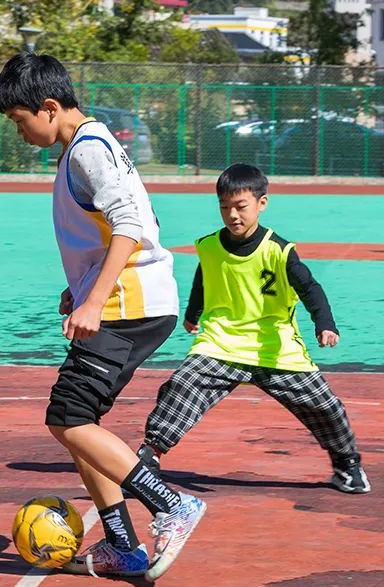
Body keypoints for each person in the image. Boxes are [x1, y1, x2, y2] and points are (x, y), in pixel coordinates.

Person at [0, 53, 206, 581]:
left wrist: (95, 299)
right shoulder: (87, 148)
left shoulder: (89, 150)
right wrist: (80, 288)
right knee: (77, 426)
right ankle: (123, 546)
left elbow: (132, 223)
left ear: (47, 107)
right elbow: (119, 225)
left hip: (127, 304)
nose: (19, 133)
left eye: (20, 121)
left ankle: (171, 506)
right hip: (123, 298)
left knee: (67, 418)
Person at [137, 163, 370, 494]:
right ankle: (150, 455)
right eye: (224, 207)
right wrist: (193, 314)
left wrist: (324, 324)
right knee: (182, 385)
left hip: (275, 347)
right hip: (222, 342)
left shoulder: (279, 250)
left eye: (240, 206)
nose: (232, 215)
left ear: (262, 203)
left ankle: (347, 465)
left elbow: (310, 288)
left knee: (326, 407)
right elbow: (205, 277)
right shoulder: (210, 246)